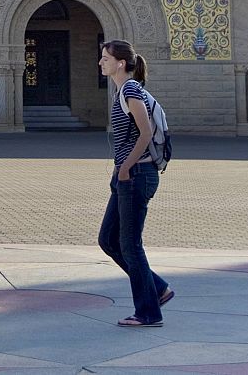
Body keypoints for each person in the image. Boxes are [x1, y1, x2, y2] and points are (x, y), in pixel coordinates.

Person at [97, 39, 172, 328]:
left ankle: (149, 312)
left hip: (137, 174)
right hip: (126, 175)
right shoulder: (122, 91)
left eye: (106, 58)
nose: (101, 62)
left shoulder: (129, 89)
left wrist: (126, 168)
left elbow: (146, 132)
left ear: (121, 63)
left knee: (130, 244)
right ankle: (158, 289)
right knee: (108, 239)